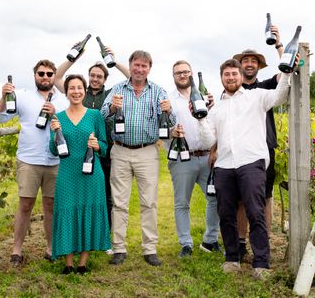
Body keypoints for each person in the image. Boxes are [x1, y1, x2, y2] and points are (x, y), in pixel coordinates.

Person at [197, 59, 289, 279]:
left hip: (252, 162)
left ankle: (261, 263)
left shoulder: (256, 96)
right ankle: (232, 259)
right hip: (224, 166)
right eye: (226, 74)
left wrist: (286, 73)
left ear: (240, 76)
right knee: (226, 213)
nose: (230, 77)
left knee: (255, 211)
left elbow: (280, 96)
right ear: (222, 78)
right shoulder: (216, 109)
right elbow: (209, 139)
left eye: (233, 74)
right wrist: (200, 120)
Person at [100, 50, 175, 267]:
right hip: (121, 150)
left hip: (147, 151)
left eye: (144, 66)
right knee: (119, 202)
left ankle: (149, 249)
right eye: (136, 65)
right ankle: (119, 248)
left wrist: (169, 112)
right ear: (130, 65)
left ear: (149, 68)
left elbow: (171, 124)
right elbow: (103, 115)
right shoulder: (117, 89)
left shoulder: (159, 92)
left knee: (149, 202)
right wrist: (113, 107)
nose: (139, 69)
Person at [0, 59, 68, 267]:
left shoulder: (63, 101)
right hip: (29, 159)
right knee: (25, 204)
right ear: (35, 75)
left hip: (55, 160)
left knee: (51, 206)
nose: (45, 77)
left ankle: (51, 248)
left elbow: (70, 126)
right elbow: (0, 118)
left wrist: (55, 114)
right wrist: (3, 96)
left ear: (54, 76)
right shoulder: (23, 97)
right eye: (41, 73)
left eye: (49, 74)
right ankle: (16, 250)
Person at [54, 46, 130, 230]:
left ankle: (105, 233)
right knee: (83, 194)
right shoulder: (78, 92)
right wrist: (75, 57)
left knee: (107, 195)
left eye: (99, 76)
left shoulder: (110, 93)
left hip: (106, 150)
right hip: (80, 151)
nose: (95, 79)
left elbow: (132, 78)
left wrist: (114, 60)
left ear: (105, 79)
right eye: (92, 75)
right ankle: (83, 229)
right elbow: (57, 77)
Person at [231, 25, 287, 258]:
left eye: (254, 61)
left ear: (258, 66)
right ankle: (242, 242)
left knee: (265, 197)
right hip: (239, 150)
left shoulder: (266, 87)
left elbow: (287, 72)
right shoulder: (231, 90)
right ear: (239, 65)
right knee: (241, 200)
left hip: (265, 149)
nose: (250, 63)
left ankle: (262, 240)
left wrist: (279, 45)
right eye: (245, 60)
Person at [49, 74, 111, 274]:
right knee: (67, 210)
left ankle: (83, 262)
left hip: (91, 174)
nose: (76, 91)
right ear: (66, 92)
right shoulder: (58, 117)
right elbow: (53, 149)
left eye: (79, 88)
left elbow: (105, 146)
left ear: (84, 91)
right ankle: (68, 262)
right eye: (71, 88)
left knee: (88, 211)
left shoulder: (95, 115)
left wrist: (97, 145)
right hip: (67, 173)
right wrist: (54, 133)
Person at [167, 60, 220, 258]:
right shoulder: (168, 100)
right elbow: (161, 128)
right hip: (182, 158)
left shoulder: (206, 97)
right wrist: (172, 131)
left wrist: (215, 149)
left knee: (215, 198)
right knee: (182, 203)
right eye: (178, 73)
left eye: (186, 72)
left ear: (191, 75)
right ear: (173, 76)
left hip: (207, 157)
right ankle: (186, 244)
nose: (182, 75)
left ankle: (210, 239)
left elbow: (216, 124)